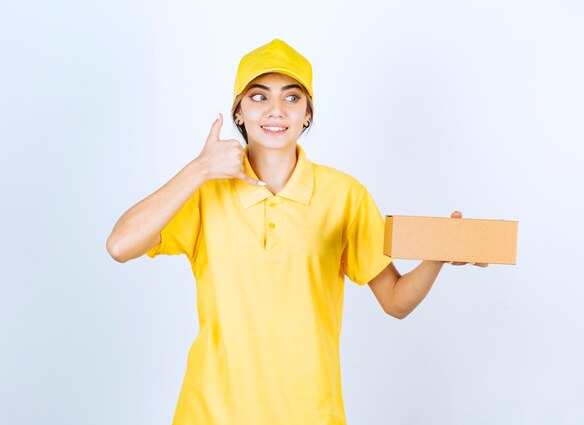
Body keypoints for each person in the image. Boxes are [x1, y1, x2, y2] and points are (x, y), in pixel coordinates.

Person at [106, 38, 488, 425]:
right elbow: (120, 245)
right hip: (210, 413)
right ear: (238, 112)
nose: (276, 111)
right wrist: (200, 168)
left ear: (307, 113)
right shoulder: (205, 193)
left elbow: (395, 301)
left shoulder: (344, 195)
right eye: (259, 97)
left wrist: (439, 253)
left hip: (310, 414)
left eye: (292, 98)